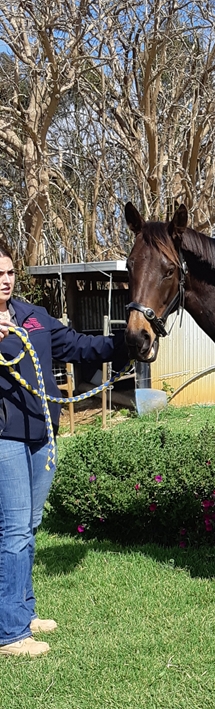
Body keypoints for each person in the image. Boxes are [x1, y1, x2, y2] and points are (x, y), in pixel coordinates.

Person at [0, 242, 128, 657]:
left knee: (29, 525)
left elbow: (76, 346)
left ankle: (23, 610)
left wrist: (125, 344)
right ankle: (10, 633)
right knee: (13, 530)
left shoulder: (33, 316)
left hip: (42, 434)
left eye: (9, 272)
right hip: (5, 438)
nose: (5, 280)